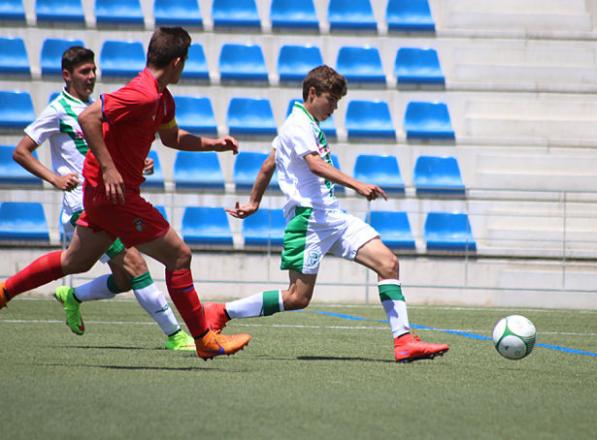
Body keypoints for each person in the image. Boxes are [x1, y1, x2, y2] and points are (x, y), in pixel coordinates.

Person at [0, 27, 251, 360]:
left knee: (75, 261)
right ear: (177, 62)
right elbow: (90, 117)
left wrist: (213, 145)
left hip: (104, 197)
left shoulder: (162, 100)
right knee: (179, 256)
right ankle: (204, 339)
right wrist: (108, 167)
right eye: (185, 62)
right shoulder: (143, 93)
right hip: (113, 196)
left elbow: (172, 138)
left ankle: (4, 291)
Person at [205, 65, 449, 363]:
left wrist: (254, 202)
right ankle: (221, 312)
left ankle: (404, 341)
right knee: (297, 298)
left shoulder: (302, 125)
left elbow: (270, 163)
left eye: (337, 101)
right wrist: (357, 184)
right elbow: (315, 165)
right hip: (309, 221)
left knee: (388, 263)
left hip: (332, 217)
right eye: (331, 100)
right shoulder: (297, 126)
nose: (334, 107)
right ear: (312, 93)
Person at [13, 45, 195, 351]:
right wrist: (55, 178)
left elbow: (109, 150)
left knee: (120, 279)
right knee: (136, 264)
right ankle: (176, 335)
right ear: (66, 75)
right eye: (84, 72)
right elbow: (20, 151)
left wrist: (138, 164)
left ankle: (73, 296)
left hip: (108, 199)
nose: (91, 76)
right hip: (81, 203)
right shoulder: (59, 108)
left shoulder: (98, 107)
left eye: (93, 70)